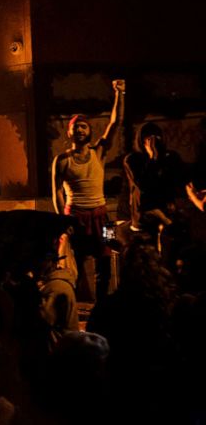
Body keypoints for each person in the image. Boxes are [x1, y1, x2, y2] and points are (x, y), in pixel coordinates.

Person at [52, 79, 125, 301]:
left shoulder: (99, 151)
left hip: (103, 216)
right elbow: (56, 192)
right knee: (79, 265)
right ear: (69, 132)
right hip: (76, 217)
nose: (80, 129)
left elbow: (116, 123)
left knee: (106, 260)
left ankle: (103, 305)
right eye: (76, 126)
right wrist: (63, 223)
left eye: (84, 126)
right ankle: (82, 307)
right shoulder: (62, 160)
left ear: (89, 131)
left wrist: (120, 94)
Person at [124, 122, 186, 233]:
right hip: (144, 217)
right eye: (148, 137)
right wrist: (152, 157)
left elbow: (177, 182)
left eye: (156, 136)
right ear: (141, 139)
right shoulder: (132, 159)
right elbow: (143, 185)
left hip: (167, 214)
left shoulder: (170, 157)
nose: (152, 140)